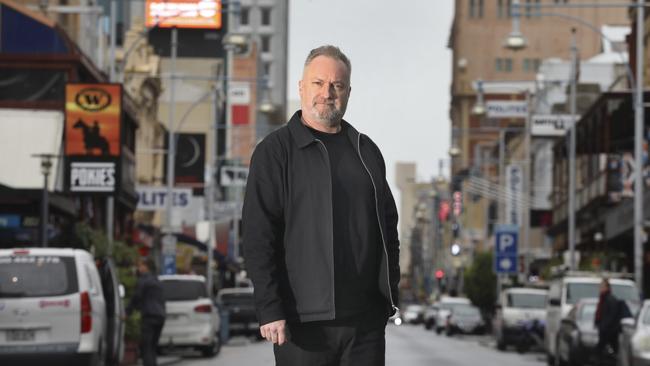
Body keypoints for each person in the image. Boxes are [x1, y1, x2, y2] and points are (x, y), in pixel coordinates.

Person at [242, 45, 400, 366]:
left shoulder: (366, 151)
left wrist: (388, 293)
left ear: (348, 92)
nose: (327, 93)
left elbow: (388, 228)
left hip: (364, 323)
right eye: (318, 83)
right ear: (301, 87)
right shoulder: (275, 152)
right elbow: (258, 236)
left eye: (337, 85)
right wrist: (270, 308)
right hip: (302, 324)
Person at [126, 258, 166, 366]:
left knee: (146, 347)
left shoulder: (143, 280)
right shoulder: (157, 281)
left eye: (140, 266)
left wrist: (127, 312)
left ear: (145, 267)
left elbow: (136, 297)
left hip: (149, 316)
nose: (138, 268)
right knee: (153, 347)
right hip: (160, 316)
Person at [594, 278, 623, 364]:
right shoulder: (603, 299)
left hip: (610, 332)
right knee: (600, 353)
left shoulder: (611, 299)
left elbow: (612, 316)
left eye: (602, 286)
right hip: (605, 331)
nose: (600, 288)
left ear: (607, 287)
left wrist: (603, 326)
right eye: (600, 286)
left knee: (607, 354)